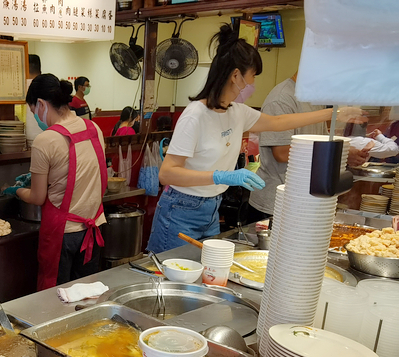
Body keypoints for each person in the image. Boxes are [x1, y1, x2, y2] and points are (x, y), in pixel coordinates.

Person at [147, 24, 366, 253]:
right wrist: (220, 176)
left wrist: (334, 114)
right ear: (236, 76)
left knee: (207, 268)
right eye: (252, 76)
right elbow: (167, 173)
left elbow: (279, 122)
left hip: (212, 207)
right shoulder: (195, 115)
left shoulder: (237, 112)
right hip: (180, 209)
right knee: (171, 269)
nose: (253, 84)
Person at [5, 74, 107, 289]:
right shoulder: (93, 129)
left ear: (41, 104)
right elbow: (81, 171)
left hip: (63, 236)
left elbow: (37, 197)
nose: (36, 117)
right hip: (93, 228)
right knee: (86, 294)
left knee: (55, 298)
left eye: (33, 111)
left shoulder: (45, 140)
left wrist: (16, 190)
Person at [248, 73, 370, 220]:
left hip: (307, 199)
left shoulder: (313, 98)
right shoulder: (281, 99)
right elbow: (282, 153)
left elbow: (321, 140)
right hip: (277, 202)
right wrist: (334, 154)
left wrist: (345, 152)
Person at [24, 54, 44, 144]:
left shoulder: (19, 87)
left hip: (24, 139)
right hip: (47, 136)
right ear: (40, 71)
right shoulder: (46, 85)